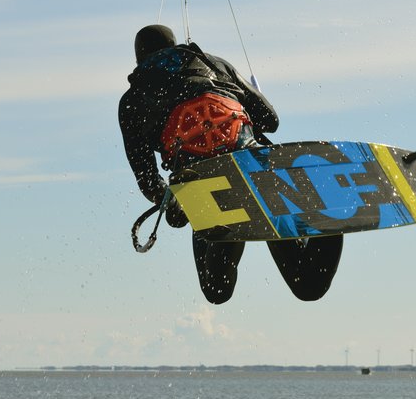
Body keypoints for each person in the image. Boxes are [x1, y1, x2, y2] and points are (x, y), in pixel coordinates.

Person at [119, 24, 343, 304]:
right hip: (255, 169)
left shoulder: (133, 99)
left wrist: (174, 204)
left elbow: (148, 180)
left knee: (217, 290)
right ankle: (330, 221)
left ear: (139, 58)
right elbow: (271, 121)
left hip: (207, 188)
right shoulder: (217, 64)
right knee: (309, 285)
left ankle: (239, 216)